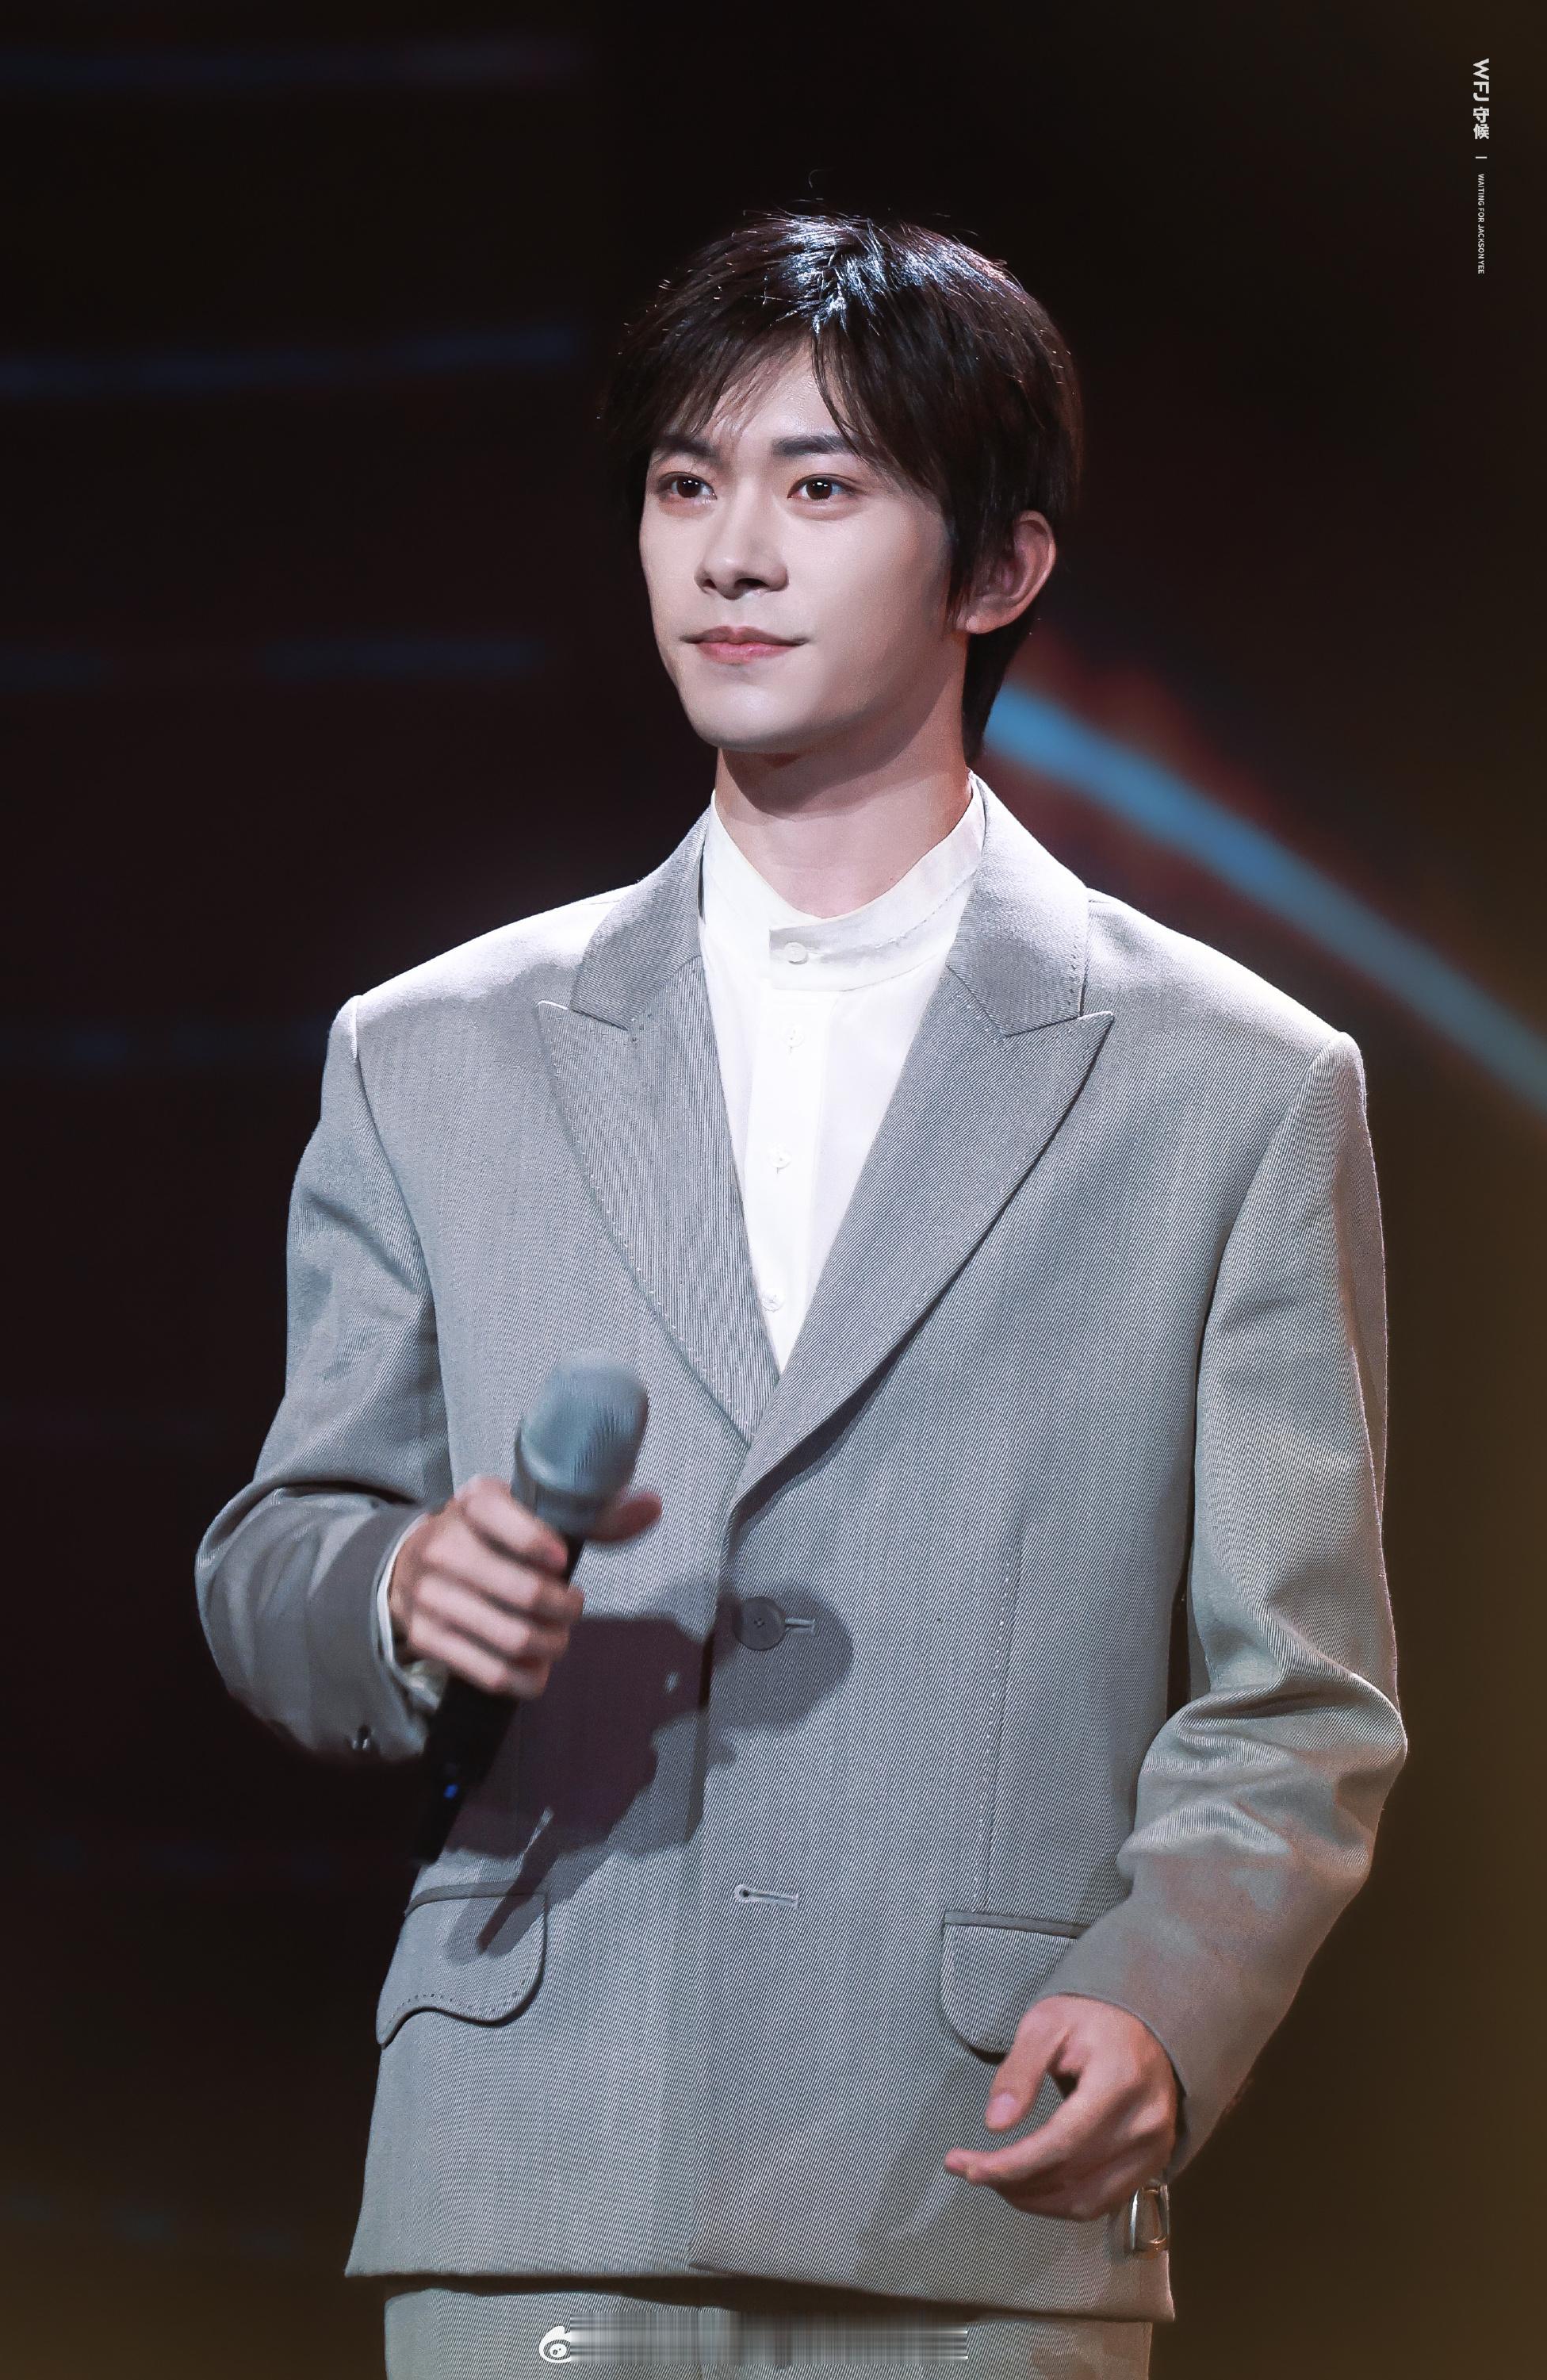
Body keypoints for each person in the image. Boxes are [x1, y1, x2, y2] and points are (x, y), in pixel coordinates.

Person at [195, 209, 1407, 2379]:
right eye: (687, 483)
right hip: (539, 2164)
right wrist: (395, 1588)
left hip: (971, 2180)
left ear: (999, 566)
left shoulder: (1232, 1084)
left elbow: (1301, 1687)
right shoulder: (436, 1048)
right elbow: (273, 1554)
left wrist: (1169, 1991)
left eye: (820, 486)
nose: (729, 554)